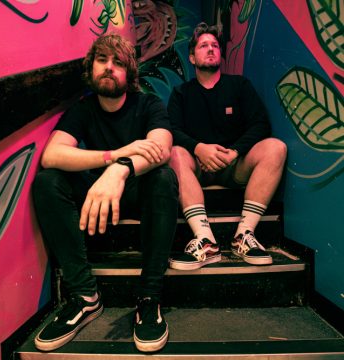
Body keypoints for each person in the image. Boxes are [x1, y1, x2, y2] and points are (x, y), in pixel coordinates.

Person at [32, 33, 178, 353]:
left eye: (119, 62)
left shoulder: (149, 104)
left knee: (164, 177)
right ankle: (85, 297)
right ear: (91, 68)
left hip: (138, 192)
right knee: (47, 181)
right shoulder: (83, 110)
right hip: (97, 197)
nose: (109, 68)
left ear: (130, 73)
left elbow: (162, 149)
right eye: (102, 60)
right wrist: (114, 155)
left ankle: (149, 298)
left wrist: (119, 169)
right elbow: (52, 155)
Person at [167, 22, 287, 270]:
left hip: (234, 167)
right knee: (174, 152)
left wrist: (234, 152)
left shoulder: (239, 85)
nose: (210, 49)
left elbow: (260, 124)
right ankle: (205, 240)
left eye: (214, 46)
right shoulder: (181, 93)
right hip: (197, 169)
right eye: (203, 46)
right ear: (192, 57)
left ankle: (243, 235)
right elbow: (172, 131)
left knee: (276, 147)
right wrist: (199, 148)